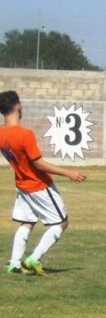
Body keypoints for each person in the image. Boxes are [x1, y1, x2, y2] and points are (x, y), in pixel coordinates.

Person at [0, 90, 86, 275]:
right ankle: (33, 259)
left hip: (22, 185)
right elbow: (38, 164)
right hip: (39, 185)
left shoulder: (1, 133)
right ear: (18, 108)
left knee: (27, 223)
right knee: (62, 223)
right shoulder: (25, 134)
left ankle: (14, 263)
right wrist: (68, 172)